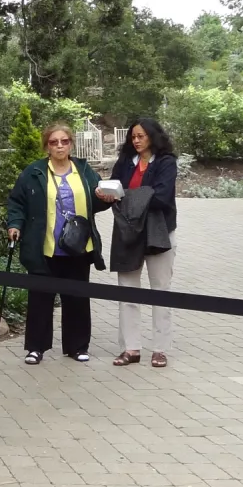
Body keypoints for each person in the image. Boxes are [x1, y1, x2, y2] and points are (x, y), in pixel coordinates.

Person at [6, 122, 106, 365]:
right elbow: (16, 202)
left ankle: (78, 346)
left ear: (71, 144)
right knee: (40, 299)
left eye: (64, 141)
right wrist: (14, 224)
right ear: (46, 146)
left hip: (79, 247)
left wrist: (107, 198)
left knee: (78, 299)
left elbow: (97, 201)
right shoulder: (34, 172)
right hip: (45, 247)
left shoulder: (83, 170)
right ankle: (36, 348)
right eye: (54, 142)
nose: (60, 145)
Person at [100, 117, 178, 369]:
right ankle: (131, 348)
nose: (135, 140)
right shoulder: (125, 162)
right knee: (128, 291)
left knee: (160, 291)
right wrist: (106, 194)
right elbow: (113, 189)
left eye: (141, 136)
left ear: (153, 136)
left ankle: (160, 349)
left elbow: (162, 198)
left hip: (159, 232)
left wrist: (125, 196)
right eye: (133, 136)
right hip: (128, 232)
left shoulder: (166, 162)